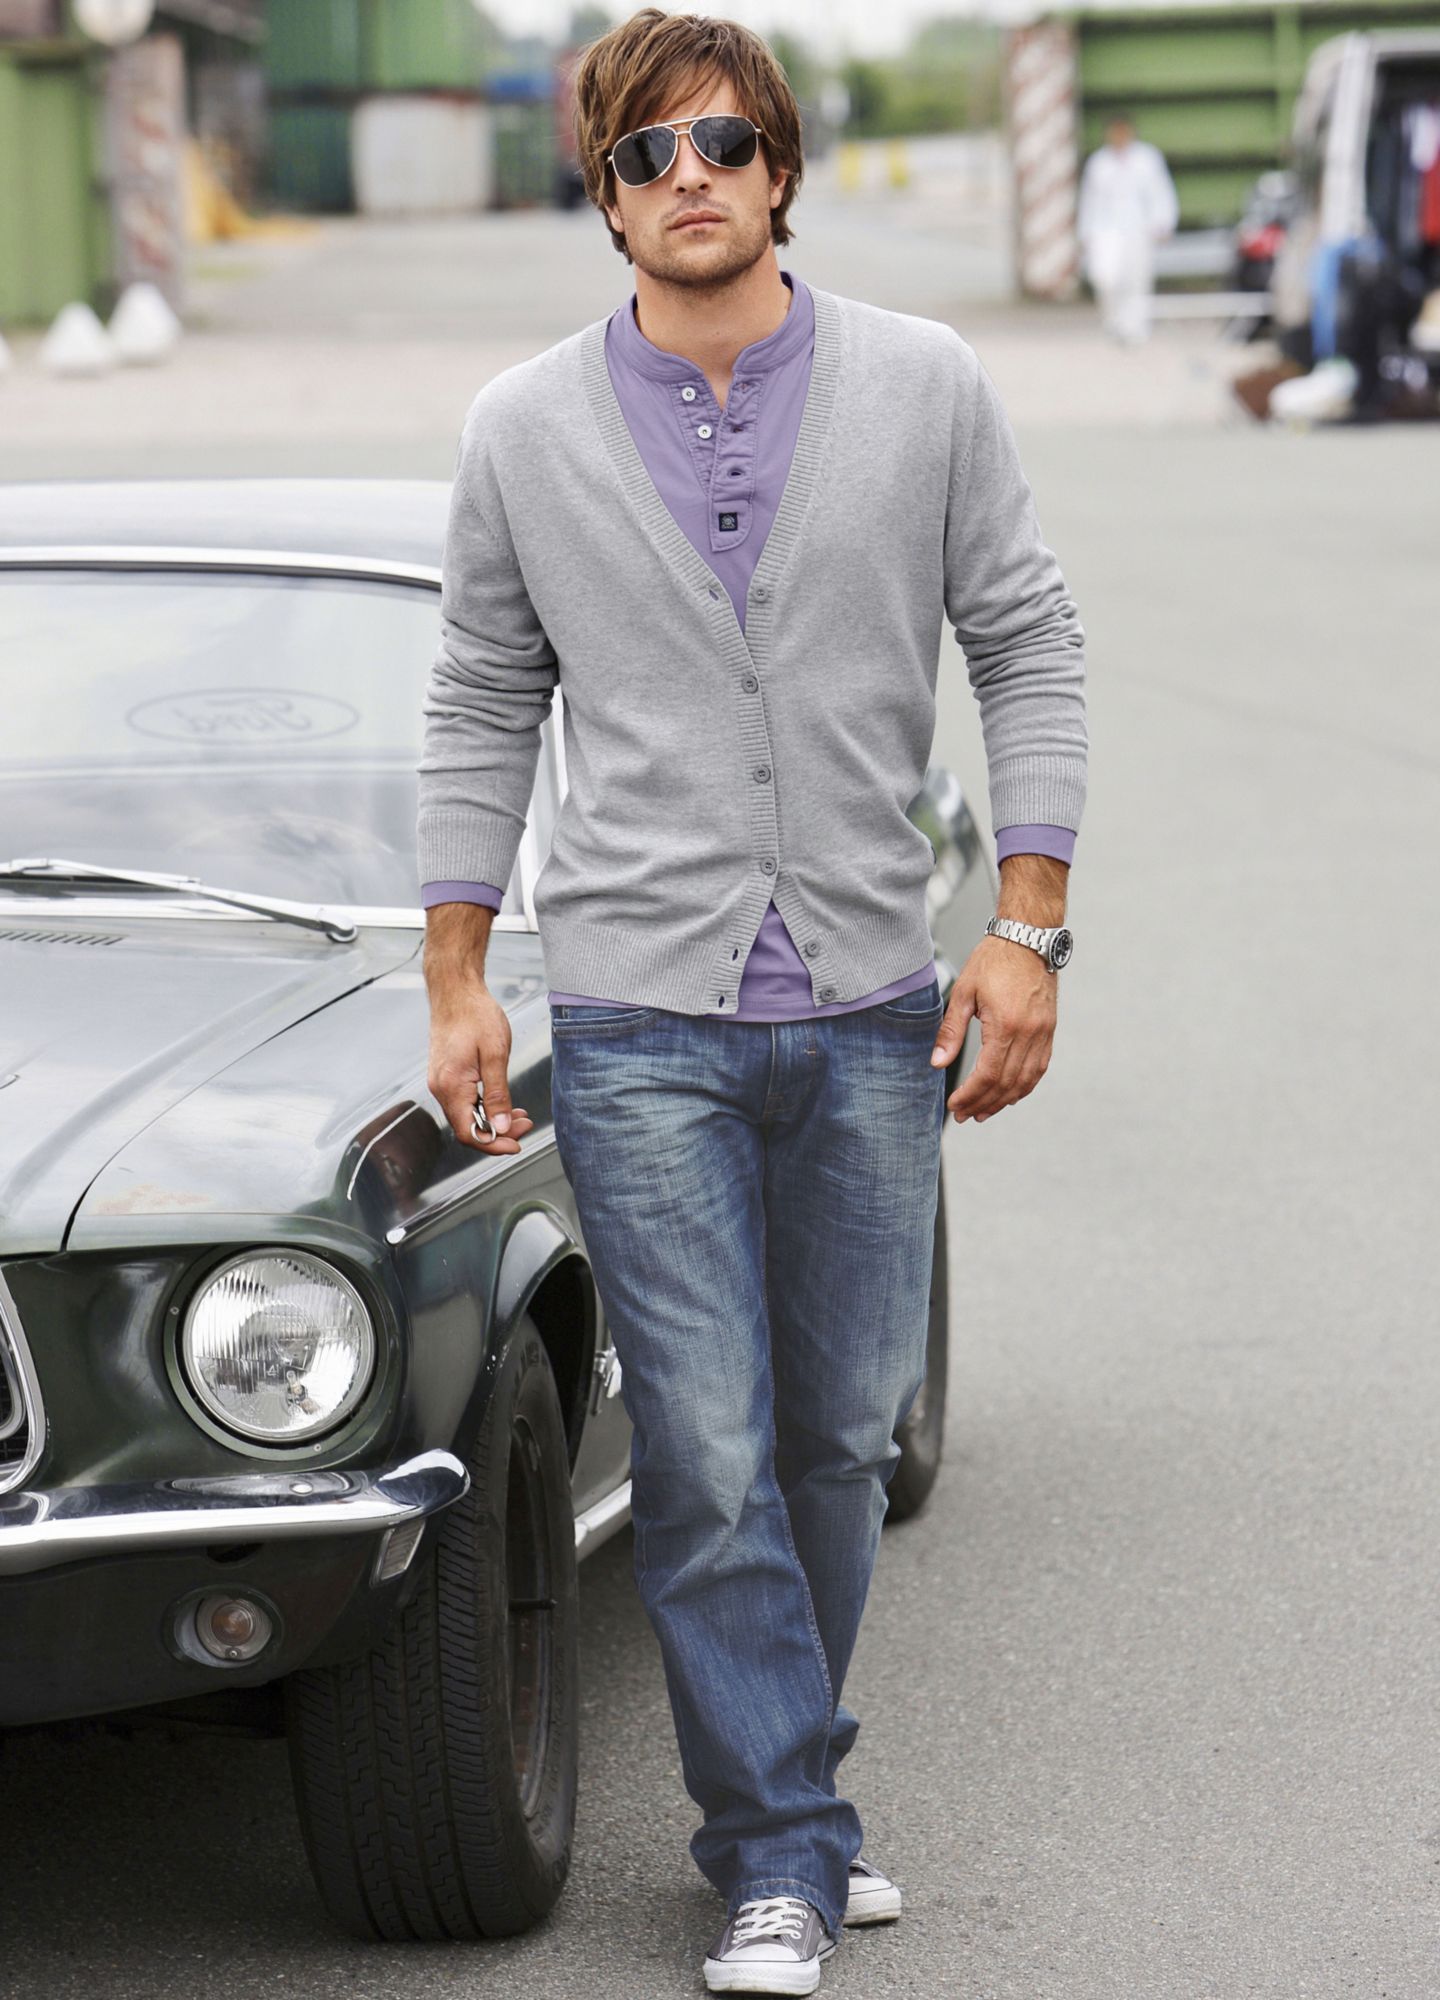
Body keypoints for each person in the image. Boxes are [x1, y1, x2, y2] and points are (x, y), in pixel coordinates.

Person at [416, 9, 1087, 1992]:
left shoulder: (926, 384)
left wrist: (1028, 926)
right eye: (646, 154)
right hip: (639, 1017)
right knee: (702, 1454)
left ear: (779, 168)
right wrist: (457, 971)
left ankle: (784, 1799)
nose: (687, 177)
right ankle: (781, 1853)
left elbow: (1029, 637)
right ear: (605, 195)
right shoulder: (522, 427)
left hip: (874, 1001)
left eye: (720, 143)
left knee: (837, 1441)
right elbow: (479, 700)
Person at [1076, 112, 1179, 344]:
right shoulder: (1099, 162)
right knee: (1105, 277)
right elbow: (1089, 199)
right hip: (1105, 230)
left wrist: (1163, 222)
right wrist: (1085, 232)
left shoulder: (1147, 158)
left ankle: (1136, 328)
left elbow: (1160, 192)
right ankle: (1114, 321)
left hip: (1139, 228)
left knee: (1137, 280)